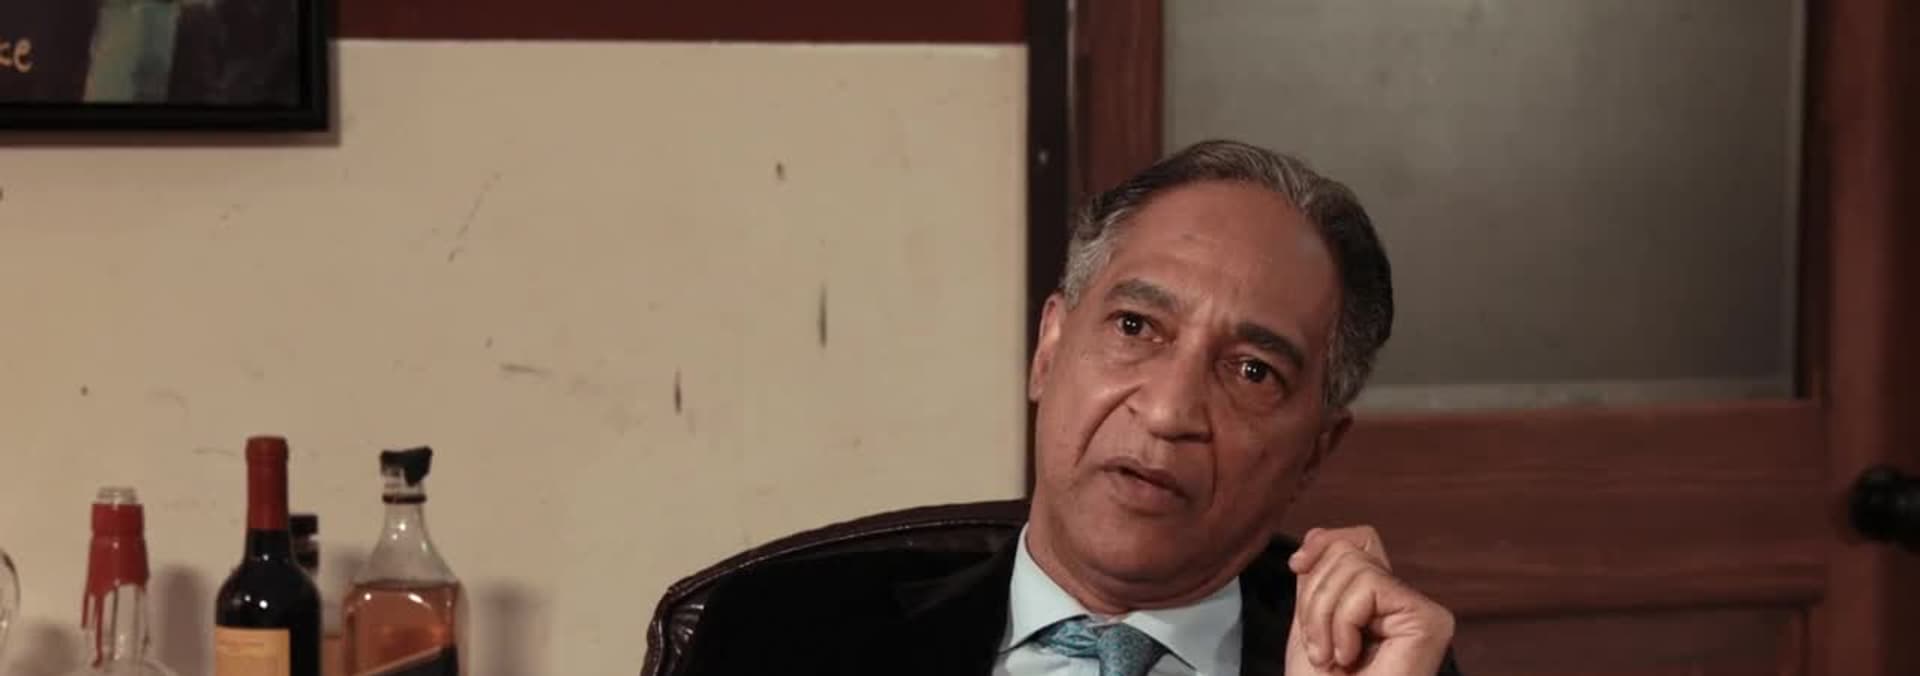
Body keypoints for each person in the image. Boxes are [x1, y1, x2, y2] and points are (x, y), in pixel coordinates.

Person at [679, 140, 1463, 676]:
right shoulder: (784, 633)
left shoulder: (1379, 662)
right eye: (1135, 328)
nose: (1168, 413)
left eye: (1252, 371)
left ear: (1316, 450)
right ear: (1049, 349)